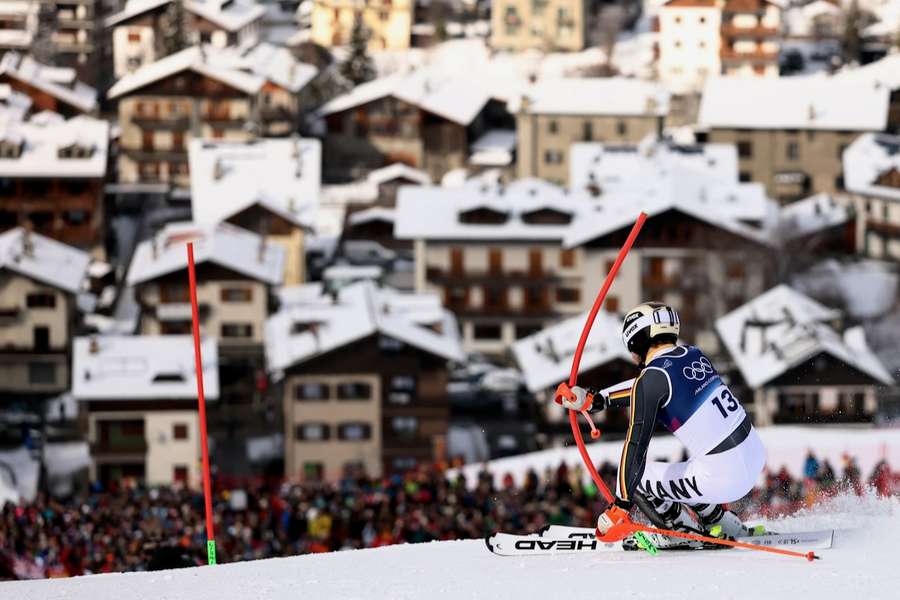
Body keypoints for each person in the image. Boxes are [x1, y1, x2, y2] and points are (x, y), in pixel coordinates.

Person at [555, 302, 767, 548]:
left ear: (637, 340)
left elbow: (636, 444)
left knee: (637, 476)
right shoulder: (693, 354)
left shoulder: (652, 379)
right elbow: (648, 387)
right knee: (684, 470)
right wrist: (598, 399)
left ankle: (677, 531)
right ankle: (720, 521)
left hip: (725, 477)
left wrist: (620, 506)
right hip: (753, 456)